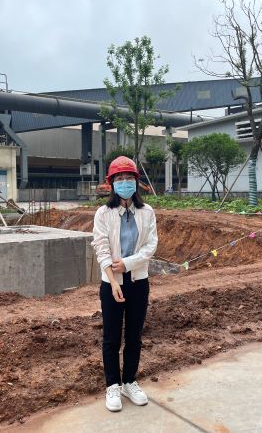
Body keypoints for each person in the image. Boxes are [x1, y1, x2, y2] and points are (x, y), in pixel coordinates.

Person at [91, 156, 158, 412]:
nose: (125, 182)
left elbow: (151, 246)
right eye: (119, 178)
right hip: (112, 284)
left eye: (129, 178)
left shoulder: (147, 212)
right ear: (112, 183)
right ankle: (113, 385)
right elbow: (101, 247)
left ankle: (129, 381)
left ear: (136, 182)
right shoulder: (103, 213)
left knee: (134, 336)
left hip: (139, 282)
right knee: (111, 338)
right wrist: (113, 280)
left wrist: (128, 264)